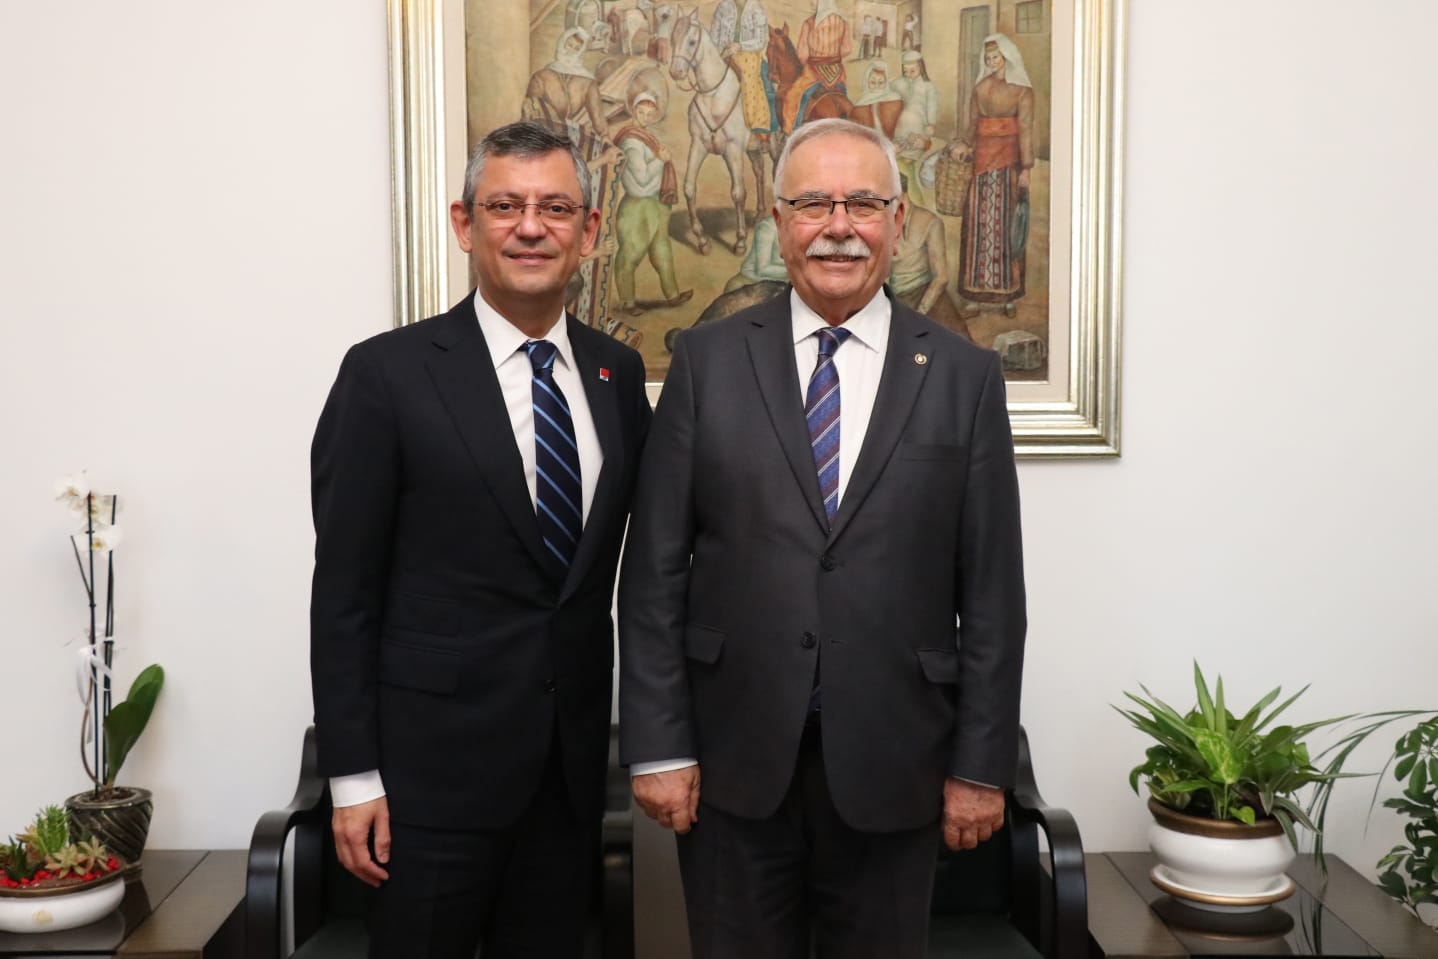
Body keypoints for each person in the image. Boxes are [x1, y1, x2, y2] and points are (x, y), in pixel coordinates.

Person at [619, 117, 1026, 958]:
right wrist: (657, 746)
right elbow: (655, 574)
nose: (839, 226)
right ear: (779, 222)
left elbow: (992, 594)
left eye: (862, 204)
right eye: (813, 204)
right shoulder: (706, 361)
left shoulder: (965, 377)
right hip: (731, 765)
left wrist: (980, 768)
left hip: (898, 764)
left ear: (898, 221)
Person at [310, 121, 652, 959]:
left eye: (555, 208)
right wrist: (352, 779)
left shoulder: (616, 376)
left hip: (566, 780)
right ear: (466, 224)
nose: (531, 227)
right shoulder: (386, 375)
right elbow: (344, 594)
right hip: (425, 787)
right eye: (505, 206)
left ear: (589, 232)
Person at [947, 34, 1034, 317]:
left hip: (1009, 163)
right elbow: (972, 124)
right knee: (978, 224)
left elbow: (1026, 130)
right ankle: (974, 296)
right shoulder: (980, 88)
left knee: (1007, 227)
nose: (992, 62)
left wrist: (1026, 168)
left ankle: (1008, 296)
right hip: (981, 163)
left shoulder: (1022, 91)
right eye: (988, 58)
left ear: (1006, 57)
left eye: (996, 57)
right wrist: (964, 144)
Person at [613, 91, 692, 315]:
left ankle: (672, 295)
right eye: (641, 112)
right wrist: (661, 160)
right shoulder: (631, 142)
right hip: (637, 207)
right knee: (631, 253)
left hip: (655, 204)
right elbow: (641, 178)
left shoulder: (645, 137)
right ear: (633, 111)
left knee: (662, 250)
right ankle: (628, 302)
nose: (645, 118)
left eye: (650, 114)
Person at [890, 173, 970, 340]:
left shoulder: (931, 221)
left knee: (957, 345)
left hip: (928, 295)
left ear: (900, 194)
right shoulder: (882, 223)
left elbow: (941, 278)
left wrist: (921, 313)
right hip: (897, 299)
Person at [523, 28, 610, 145]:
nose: (571, 51)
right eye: (569, 45)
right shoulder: (540, 77)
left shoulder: (588, 82)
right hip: (541, 137)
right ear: (562, 43)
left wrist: (605, 136)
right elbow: (530, 112)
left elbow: (598, 119)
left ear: (581, 52)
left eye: (577, 49)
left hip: (569, 140)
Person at [781, 0, 852, 131]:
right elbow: (847, 49)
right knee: (844, 94)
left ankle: (792, 130)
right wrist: (832, 55)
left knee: (792, 97)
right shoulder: (844, 22)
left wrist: (809, 61)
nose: (811, 3)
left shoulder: (809, 23)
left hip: (813, 72)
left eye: (814, 0)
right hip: (837, 73)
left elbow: (802, 54)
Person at [890, 50, 938, 204]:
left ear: (921, 68)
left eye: (913, 71)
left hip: (917, 134)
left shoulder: (928, 87)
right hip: (898, 133)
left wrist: (929, 127)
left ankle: (915, 202)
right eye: (906, 71)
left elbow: (931, 109)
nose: (909, 74)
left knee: (906, 166)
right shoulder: (897, 84)